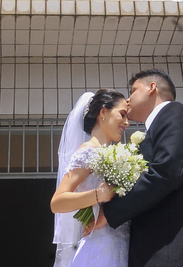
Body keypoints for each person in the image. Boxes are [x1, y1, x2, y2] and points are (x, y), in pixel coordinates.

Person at [99, 70, 183, 267]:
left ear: (152, 88)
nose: (128, 100)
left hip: (177, 252)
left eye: (133, 90)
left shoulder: (174, 112)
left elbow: (166, 172)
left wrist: (109, 213)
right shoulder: (156, 127)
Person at [51, 90, 130, 267]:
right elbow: (57, 202)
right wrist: (98, 194)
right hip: (100, 251)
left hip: (125, 247)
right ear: (103, 112)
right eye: (122, 114)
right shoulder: (87, 152)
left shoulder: (119, 157)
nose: (127, 122)